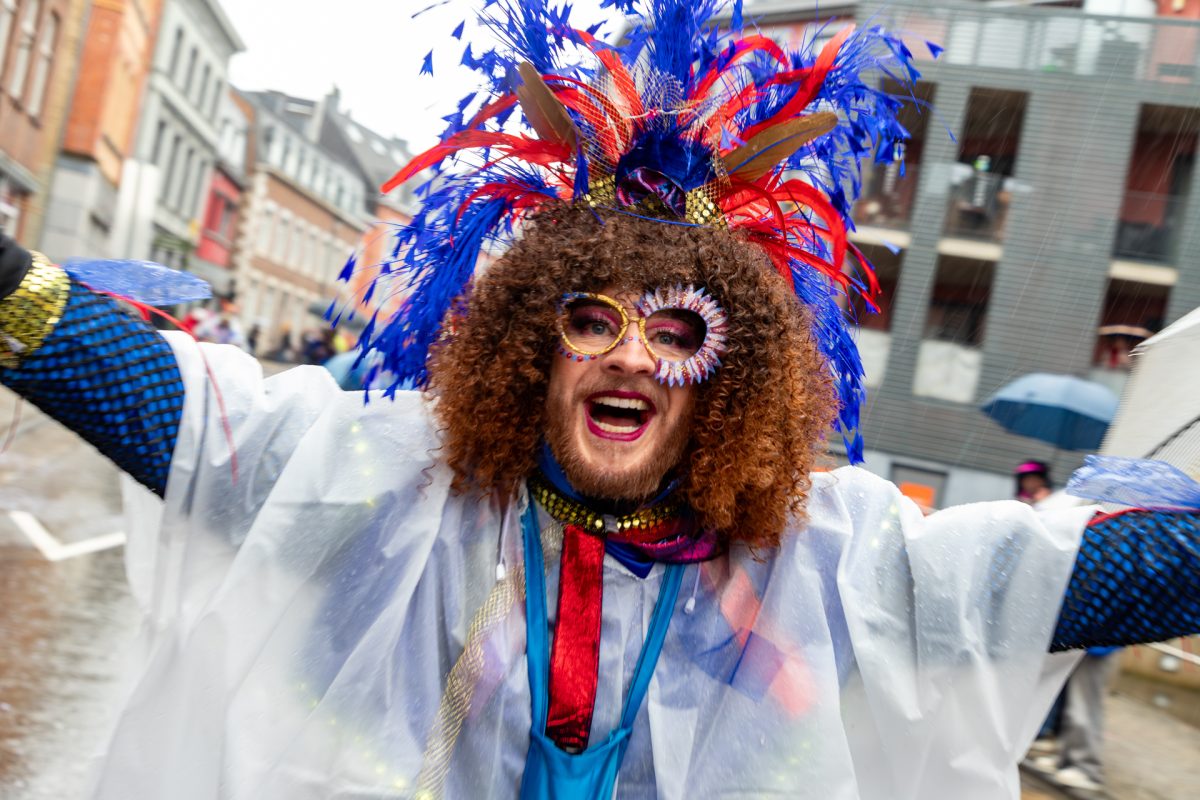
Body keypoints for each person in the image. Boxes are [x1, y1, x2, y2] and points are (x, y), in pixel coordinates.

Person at [0, 3, 1196, 798]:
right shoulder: (393, 491)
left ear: (728, 380)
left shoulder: (823, 559)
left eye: (677, 332)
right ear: (532, 346)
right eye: (590, 320)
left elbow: (1031, 581)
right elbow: (184, 421)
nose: (630, 358)